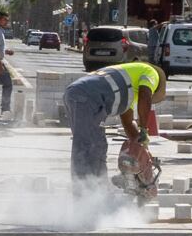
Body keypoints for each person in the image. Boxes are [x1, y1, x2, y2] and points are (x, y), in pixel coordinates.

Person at [61, 56, 163, 186]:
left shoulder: (130, 86)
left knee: (92, 144)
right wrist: (144, 129)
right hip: (88, 98)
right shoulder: (150, 72)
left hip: (77, 94)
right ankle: (91, 194)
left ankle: (91, 192)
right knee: (90, 147)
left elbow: (128, 122)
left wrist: (141, 146)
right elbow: (145, 96)